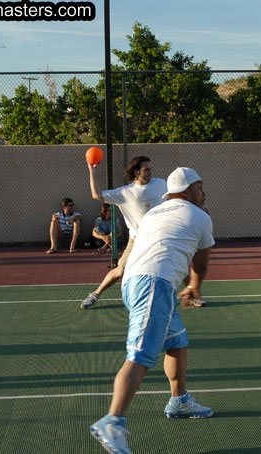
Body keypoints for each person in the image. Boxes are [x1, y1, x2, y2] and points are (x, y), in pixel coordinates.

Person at [89, 167, 214, 454]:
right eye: (200, 187)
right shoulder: (201, 217)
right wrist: (195, 287)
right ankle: (112, 421)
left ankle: (179, 400)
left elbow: (168, 251)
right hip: (153, 286)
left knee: (177, 340)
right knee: (140, 356)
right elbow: (200, 264)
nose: (204, 193)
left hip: (138, 283)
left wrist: (183, 282)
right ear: (184, 191)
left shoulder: (154, 214)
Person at [80, 156, 167, 309]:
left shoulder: (161, 184)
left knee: (179, 263)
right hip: (138, 240)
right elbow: (97, 195)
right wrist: (92, 170)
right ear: (136, 172)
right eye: (146, 170)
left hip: (161, 237)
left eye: (150, 169)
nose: (150, 172)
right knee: (120, 271)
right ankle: (95, 295)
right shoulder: (125, 192)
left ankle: (193, 294)